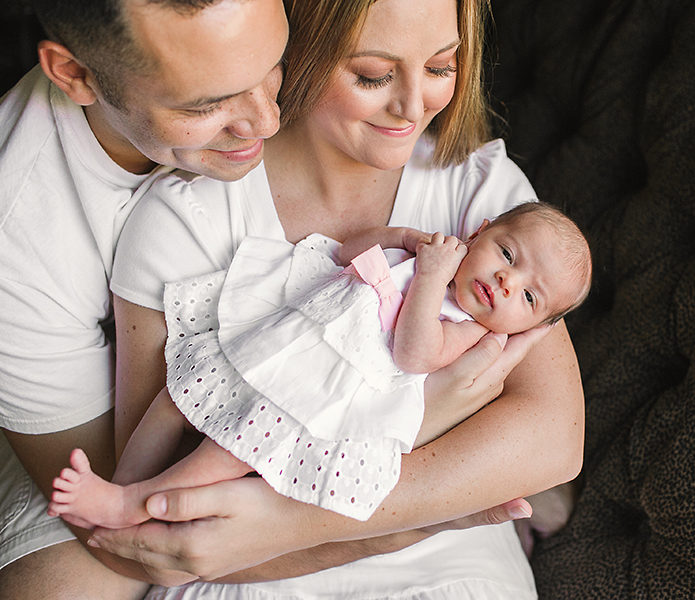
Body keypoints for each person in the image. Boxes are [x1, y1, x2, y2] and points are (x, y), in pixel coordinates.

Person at [0, 1, 530, 598]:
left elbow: (549, 429)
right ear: (75, 74)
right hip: (101, 440)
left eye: (274, 65)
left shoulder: (465, 191)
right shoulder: (21, 239)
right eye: (205, 104)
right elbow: (139, 535)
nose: (269, 121)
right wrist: (400, 508)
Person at [48, 202, 592, 530]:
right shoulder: (429, 253)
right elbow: (346, 254)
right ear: (481, 230)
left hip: (315, 395)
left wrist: (429, 277)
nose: (506, 283)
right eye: (508, 255)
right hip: (287, 341)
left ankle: (132, 506)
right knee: (179, 396)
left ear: (529, 326)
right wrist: (403, 240)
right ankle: (123, 481)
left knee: (227, 450)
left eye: (529, 297)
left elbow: (415, 353)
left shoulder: (468, 326)